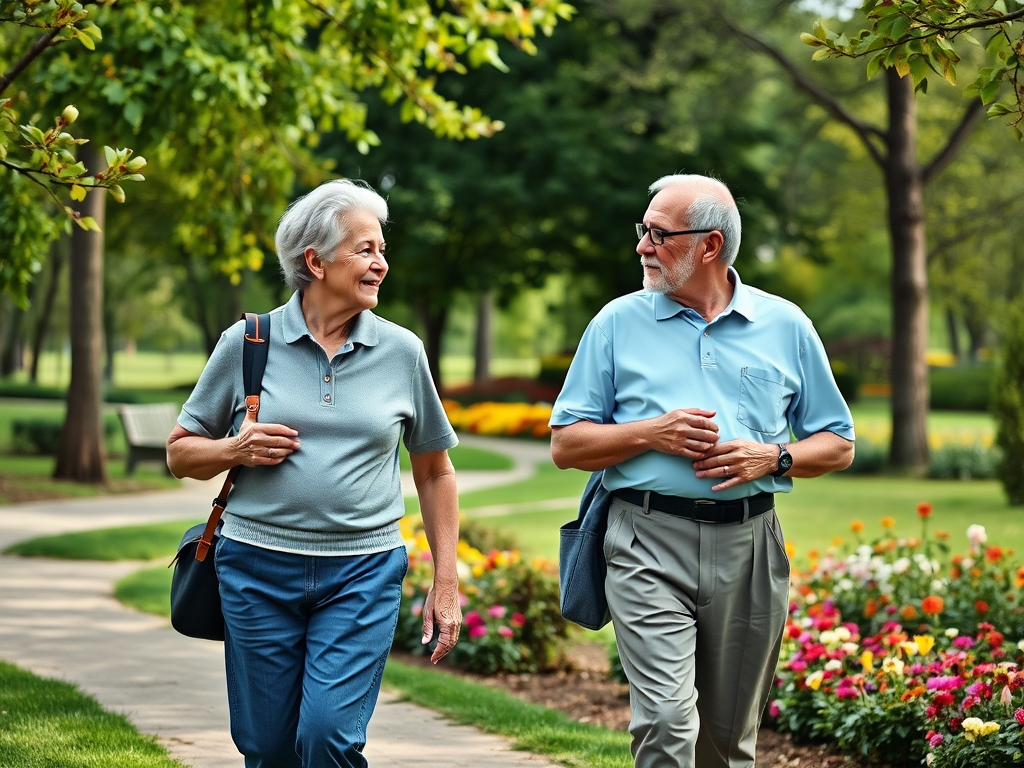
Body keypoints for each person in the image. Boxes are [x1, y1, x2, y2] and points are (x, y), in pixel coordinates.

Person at [549, 173, 855, 768]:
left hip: (750, 547)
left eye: (658, 235)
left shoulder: (786, 325)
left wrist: (774, 457)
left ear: (709, 245)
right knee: (665, 723)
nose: (642, 246)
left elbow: (838, 442)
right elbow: (566, 444)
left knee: (727, 743)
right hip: (644, 541)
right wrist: (649, 433)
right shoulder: (615, 323)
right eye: (643, 231)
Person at [166, 179, 462, 768]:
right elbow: (179, 454)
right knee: (268, 748)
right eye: (364, 250)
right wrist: (235, 449)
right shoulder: (249, 341)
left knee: (328, 737)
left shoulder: (402, 353)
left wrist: (446, 582)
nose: (381, 264)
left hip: (362, 571)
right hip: (255, 567)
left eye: (381, 249)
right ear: (315, 261)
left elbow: (434, 471)